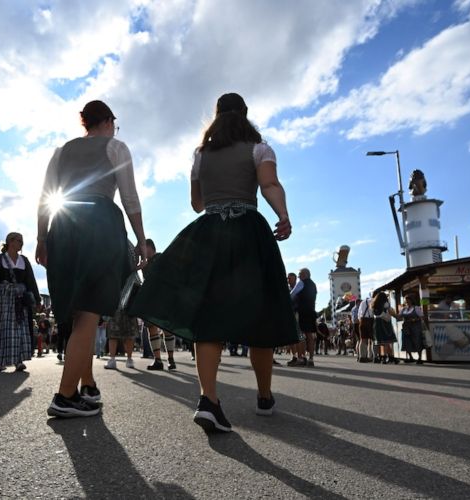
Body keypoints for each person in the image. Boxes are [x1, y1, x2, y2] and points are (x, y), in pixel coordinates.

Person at [129, 92, 297, 433]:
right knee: (261, 314)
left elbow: (196, 203)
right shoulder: (259, 149)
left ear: (216, 117)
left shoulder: (201, 156)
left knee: (209, 316)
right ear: (246, 115)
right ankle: (264, 396)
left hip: (209, 234)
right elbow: (269, 184)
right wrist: (282, 214)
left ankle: (209, 400)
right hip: (249, 231)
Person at [37, 99, 146, 418]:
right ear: (109, 121)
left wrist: (42, 238)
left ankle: (86, 384)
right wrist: (140, 239)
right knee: (89, 313)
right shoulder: (115, 147)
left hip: (64, 224)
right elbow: (129, 197)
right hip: (99, 224)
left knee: (77, 311)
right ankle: (65, 395)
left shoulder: (62, 151)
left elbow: (45, 196)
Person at [0, 232, 42, 372]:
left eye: (22, 241)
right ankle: (0, 361)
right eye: (19, 240)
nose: (21, 243)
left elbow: (31, 281)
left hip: (19, 299)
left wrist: (37, 300)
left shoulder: (24, 261)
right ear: (10, 242)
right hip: (3, 300)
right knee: (2, 329)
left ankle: (18, 361)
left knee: (21, 329)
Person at [141, 239, 177, 371]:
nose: (143, 251)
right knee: (152, 328)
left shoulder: (162, 257)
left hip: (164, 297)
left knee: (167, 328)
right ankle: (157, 360)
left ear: (150, 247)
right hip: (151, 298)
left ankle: (171, 359)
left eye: (144, 248)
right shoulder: (144, 263)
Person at [288, 268, 316, 366]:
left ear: (305, 274)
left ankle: (301, 358)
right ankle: (311, 359)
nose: (298, 276)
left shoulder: (301, 283)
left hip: (302, 312)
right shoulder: (313, 285)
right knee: (309, 336)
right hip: (311, 311)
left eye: (300, 274)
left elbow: (292, 294)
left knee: (300, 336)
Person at [372, 292, 398, 364]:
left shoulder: (374, 304)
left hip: (376, 323)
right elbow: (391, 312)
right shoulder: (386, 304)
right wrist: (397, 316)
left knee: (379, 342)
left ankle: (379, 357)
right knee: (387, 341)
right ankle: (389, 357)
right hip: (385, 322)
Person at [399, 294, 426, 364]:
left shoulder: (416, 308)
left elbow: (422, 317)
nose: (407, 301)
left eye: (408, 300)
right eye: (406, 300)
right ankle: (410, 357)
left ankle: (419, 358)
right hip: (406, 327)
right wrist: (392, 314)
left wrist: (415, 319)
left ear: (411, 300)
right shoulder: (403, 309)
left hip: (415, 327)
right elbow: (399, 317)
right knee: (407, 342)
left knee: (417, 341)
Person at [356, 295, 375, 362]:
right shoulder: (373, 300)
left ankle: (362, 357)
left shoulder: (362, 302)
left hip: (362, 321)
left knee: (362, 339)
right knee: (372, 340)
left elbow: (358, 315)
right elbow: (374, 311)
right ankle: (371, 356)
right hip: (370, 320)